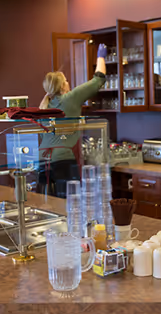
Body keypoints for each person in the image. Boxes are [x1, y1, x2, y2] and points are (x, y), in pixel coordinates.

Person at [37, 43, 108, 198]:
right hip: (64, 160)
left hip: (43, 161)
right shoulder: (70, 98)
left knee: (47, 205)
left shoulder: (44, 105)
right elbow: (99, 79)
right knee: (69, 203)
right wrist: (101, 57)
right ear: (63, 85)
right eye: (66, 81)